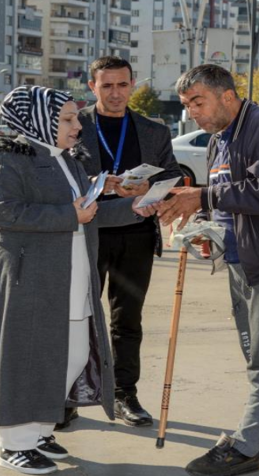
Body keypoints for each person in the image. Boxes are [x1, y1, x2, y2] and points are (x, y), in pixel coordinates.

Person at [0, 86, 159, 474]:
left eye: (75, 118)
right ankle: (15, 443)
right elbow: (3, 212)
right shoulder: (8, 157)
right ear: (38, 120)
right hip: (31, 278)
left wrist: (137, 208)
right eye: (68, 119)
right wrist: (68, 215)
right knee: (27, 360)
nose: (78, 127)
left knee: (69, 355)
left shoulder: (67, 159)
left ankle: (39, 431)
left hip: (73, 276)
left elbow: (89, 213)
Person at [156, 64, 259, 476]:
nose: (192, 111)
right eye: (187, 104)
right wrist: (207, 231)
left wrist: (203, 197)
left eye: (198, 101)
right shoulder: (217, 141)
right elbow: (230, 207)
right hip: (241, 262)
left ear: (227, 96)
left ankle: (245, 447)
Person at [76, 56, 183, 428]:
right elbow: (63, 175)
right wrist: (100, 182)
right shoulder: (75, 125)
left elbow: (173, 174)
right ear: (93, 87)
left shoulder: (153, 130)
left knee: (128, 321)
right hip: (87, 234)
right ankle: (71, 395)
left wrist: (149, 188)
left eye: (122, 85)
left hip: (136, 235)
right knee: (80, 318)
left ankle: (125, 394)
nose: (116, 93)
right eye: (107, 86)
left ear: (132, 85)